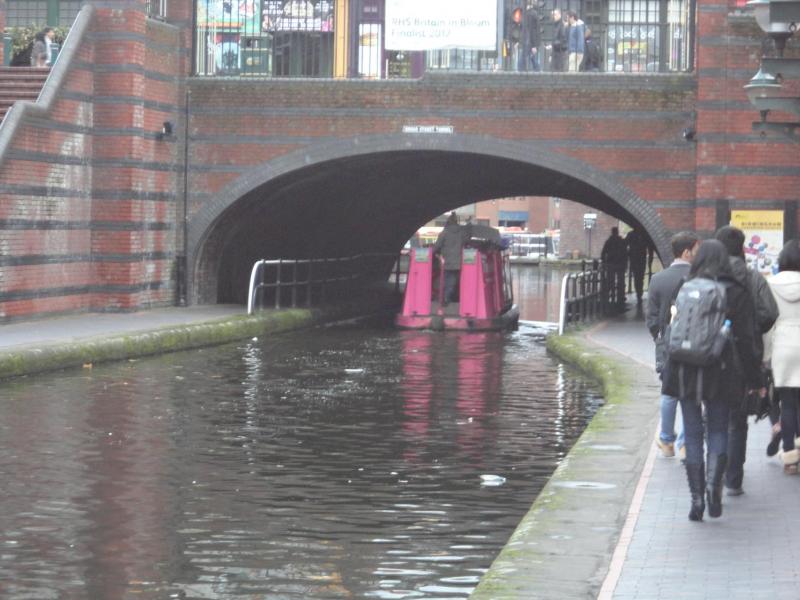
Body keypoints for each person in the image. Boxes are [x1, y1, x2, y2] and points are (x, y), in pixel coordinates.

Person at [663, 240, 762, 521]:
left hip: (684, 368)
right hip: (720, 368)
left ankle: (696, 499)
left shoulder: (685, 285)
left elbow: (669, 325)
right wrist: (755, 378)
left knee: (693, 431)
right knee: (718, 429)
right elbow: (748, 339)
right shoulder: (736, 291)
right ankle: (713, 489)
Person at [715, 225, 777, 495]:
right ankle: (733, 479)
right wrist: (752, 329)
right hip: (743, 355)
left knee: (714, 417)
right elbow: (769, 312)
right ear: (742, 248)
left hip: (711, 355)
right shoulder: (752, 277)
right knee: (737, 419)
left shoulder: (708, 276)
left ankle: (714, 473)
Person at [646, 231, 699, 459]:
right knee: (692, 392)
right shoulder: (700, 278)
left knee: (669, 391)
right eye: (696, 250)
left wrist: (660, 337)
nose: (698, 254)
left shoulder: (658, 279)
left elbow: (651, 317)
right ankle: (685, 442)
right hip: (695, 344)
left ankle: (666, 440)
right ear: (687, 252)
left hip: (668, 343)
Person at [764, 240, 800, 474]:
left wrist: (765, 355)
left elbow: (767, 321)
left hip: (782, 345)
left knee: (786, 402)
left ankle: (790, 458)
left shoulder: (770, 284)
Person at [433, 213, 465, 304]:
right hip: (457, 262)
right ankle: (448, 297)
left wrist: (432, 252)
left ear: (448, 222)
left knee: (444, 280)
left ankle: (444, 297)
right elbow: (465, 242)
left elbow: (437, 246)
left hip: (445, 261)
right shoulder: (461, 233)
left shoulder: (444, 233)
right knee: (452, 281)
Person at [601, 226, 627, 309]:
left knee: (610, 281)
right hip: (620, 264)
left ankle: (610, 295)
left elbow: (603, 253)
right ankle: (620, 297)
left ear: (612, 232)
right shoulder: (621, 241)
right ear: (617, 232)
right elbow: (625, 253)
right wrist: (625, 264)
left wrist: (604, 262)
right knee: (621, 281)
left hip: (611, 264)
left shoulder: (608, 242)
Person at [626, 228, 653, 305]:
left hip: (634, 259)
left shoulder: (630, 235)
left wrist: (627, 256)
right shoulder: (645, 235)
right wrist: (650, 260)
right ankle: (639, 293)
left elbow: (624, 245)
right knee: (640, 277)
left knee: (637, 277)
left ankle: (639, 293)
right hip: (641, 259)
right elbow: (650, 247)